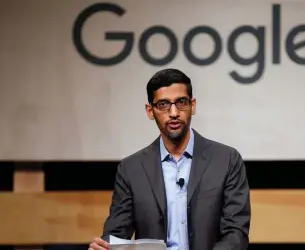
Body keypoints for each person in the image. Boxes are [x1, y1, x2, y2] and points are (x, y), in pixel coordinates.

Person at [89, 68, 251, 250]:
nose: (173, 113)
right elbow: (117, 233)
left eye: (181, 102)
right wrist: (103, 247)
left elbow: (236, 234)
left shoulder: (226, 160)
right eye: (163, 104)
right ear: (150, 111)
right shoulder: (131, 169)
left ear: (193, 105)